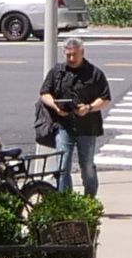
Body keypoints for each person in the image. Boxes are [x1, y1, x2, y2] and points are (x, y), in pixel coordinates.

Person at [36, 37, 113, 194]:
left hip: (87, 127)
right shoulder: (57, 72)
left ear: (82, 53)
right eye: (68, 55)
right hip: (63, 125)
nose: (71, 58)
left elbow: (105, 99)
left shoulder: (94, 73)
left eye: (75, 54)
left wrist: (89, 107)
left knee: (87, 166)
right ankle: (67, 201)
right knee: (62, 166)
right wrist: (55, 106)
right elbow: (44, 93)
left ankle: (89, 200)